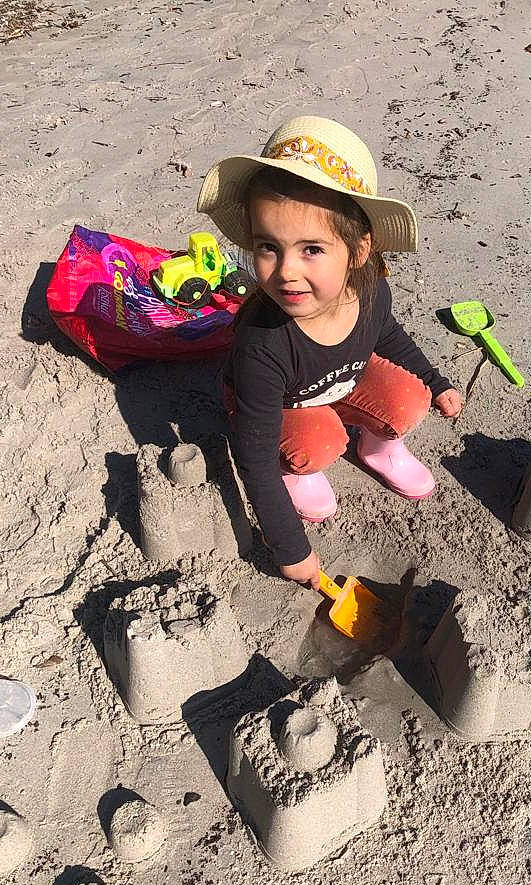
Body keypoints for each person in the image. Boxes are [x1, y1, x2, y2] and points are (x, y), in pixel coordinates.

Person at [197, 115, 462, 589]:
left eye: (312, 249)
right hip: (282, 403)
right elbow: (251, 454)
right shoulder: (263, 345)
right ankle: (297, 469)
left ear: (358, 251)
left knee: (410, 399)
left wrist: (436, 380)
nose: (285, 272)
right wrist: (290, 547)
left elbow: (390, 338)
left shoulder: (372, 292)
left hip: (337, 380)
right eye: (267, 247)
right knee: (319, 444)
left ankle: (379, 448)